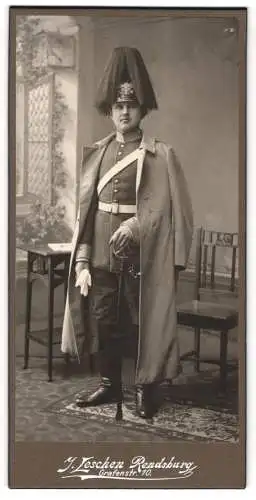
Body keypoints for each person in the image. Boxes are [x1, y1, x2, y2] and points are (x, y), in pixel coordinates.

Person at [61, 46, 193, 419]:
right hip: (102, 256)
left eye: (131, 106)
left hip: (142, 258)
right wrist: (84, 257)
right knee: (105, 321)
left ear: (142, 111)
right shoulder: (98, 153)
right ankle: (108, 384)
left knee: (140, 322)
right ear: (110, 110)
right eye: (118, 107)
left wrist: (138, 225)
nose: (124, 112)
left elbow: (173, 212)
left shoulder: (161, 155)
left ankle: (143, 388)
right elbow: (85, 213)